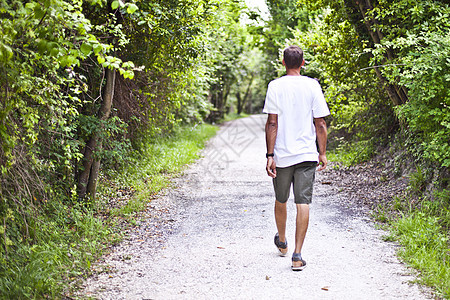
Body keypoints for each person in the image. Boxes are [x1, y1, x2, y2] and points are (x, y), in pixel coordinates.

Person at [263, 45, 330, 271]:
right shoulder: (312, 85)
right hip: (306, 155)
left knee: (281, 199)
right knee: (303, 202)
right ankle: (297, 255)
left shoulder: (275, 86)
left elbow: (272, 122)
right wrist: (321, 152)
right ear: (303, 63)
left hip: (282, 156)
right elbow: (320, 123)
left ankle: (282, 241)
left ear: (283, 63)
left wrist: (270, 155)